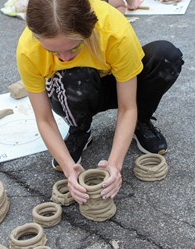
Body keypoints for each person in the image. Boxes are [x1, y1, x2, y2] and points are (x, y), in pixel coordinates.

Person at [16, 0, 184, 204]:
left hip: (121, 85)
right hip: (76, 89)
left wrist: (115, 164)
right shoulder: (28, 49)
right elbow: (44, 119)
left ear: (90, 29)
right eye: (53, 51)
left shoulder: (114, 30)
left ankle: (141, 122)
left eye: (73, 47)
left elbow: (127, 107)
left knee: (166, 56)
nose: (64, 57)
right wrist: (69, 169)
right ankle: (80, 131)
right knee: (73, 76)